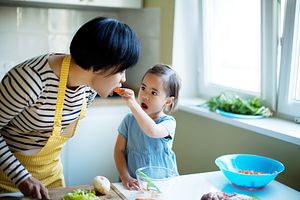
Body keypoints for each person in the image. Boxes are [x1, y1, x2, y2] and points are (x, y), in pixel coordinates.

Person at [0, 16, 141, 199]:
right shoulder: (29, 80)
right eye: (121, 70)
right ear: (98, 67)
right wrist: (22, 178)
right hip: (7, 182)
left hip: (51, 179)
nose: (123, 79)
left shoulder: (88, 89)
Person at [114, 64, 181, 190]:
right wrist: (125, 177)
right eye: (143, 88)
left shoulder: (168, 122)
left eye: (153, 92)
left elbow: (152, 131)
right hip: (134, 185)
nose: (145, 96)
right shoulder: (129, 120)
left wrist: (133, 105)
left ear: (168, 101)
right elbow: (119, 151)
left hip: (164, 185)